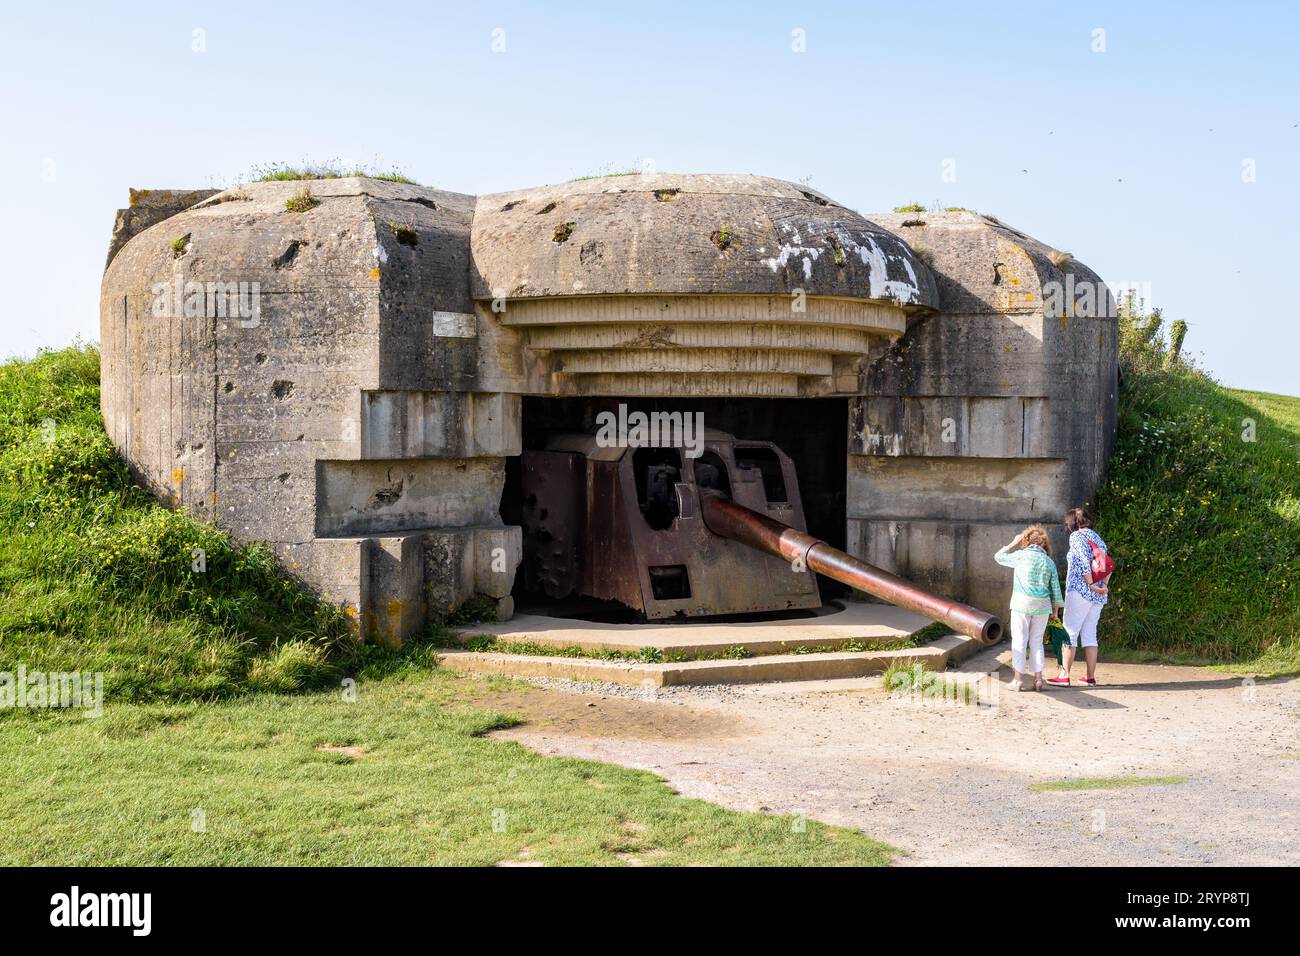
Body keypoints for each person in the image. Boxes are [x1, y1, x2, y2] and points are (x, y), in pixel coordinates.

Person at [994, 526, 1064, 691]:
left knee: (1019, 641)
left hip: (1021, 604)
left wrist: (1013, 542)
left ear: (1025, 540)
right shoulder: (1049, 562)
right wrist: (1055, 611)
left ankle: (1018, 680)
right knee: (1036, 642)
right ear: (1044, 543)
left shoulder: (1020, 556)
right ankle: (1038, 679)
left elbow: (998, 557)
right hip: (1042, 606)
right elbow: (1055, 589)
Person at [1048, 506, 1110, 687]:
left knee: (1070, 632)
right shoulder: (1097, 538)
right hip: (1098, 594)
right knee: (1090, 633)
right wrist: (1103, 586)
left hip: (1080, 591)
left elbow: (1083, 562)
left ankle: (1064, 675)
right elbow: (1108, 564)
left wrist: (1090, 583)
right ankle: (1090, 677)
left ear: (1072, 523)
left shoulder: (1076, 536)